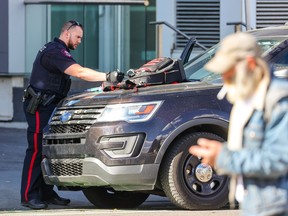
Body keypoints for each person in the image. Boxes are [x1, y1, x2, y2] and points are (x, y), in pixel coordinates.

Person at [21, 20, 124, 210]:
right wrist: (108, 76)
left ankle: (46, 193)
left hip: (49, 106)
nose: (79, 41)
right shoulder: (55, 51)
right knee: (36, 150)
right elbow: (80, 72)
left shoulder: (59, 51)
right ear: (67, 33)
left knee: (47, 151)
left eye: (81, 38)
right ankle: (28, 195)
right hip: (39, 107)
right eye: (78, 37)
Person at [189, 32, 288, 216]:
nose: (223, 78)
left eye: (228, 72)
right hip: (258, 204)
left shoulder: (279, 100)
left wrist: (224, 156)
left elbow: (279, 160)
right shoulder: (249, 99)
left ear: (250, 64)